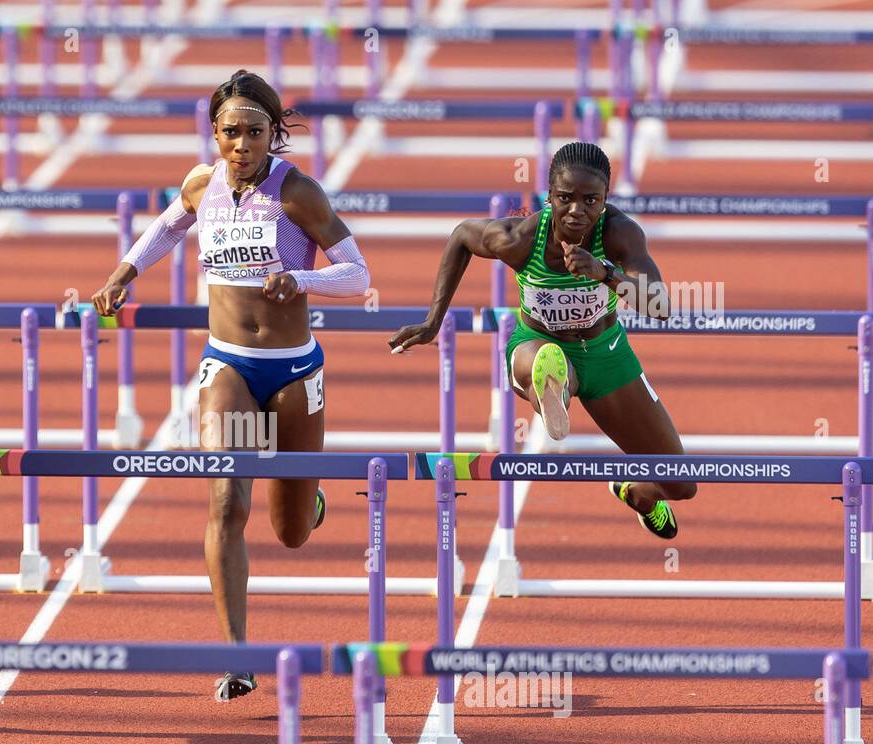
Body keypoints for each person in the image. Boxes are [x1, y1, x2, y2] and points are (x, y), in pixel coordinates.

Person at [91, 70, 371, 700]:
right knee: (226, 503)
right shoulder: (201, 185)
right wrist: (123, 273)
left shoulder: (298, 193)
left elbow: (357, 274)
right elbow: (166, 228)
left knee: (292, 532)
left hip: (295, 370)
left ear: (273, 134)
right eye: (229, 132)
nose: (241, 144)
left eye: (254, 132)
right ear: (214, 133)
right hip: (230, 366)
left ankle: (309, 499)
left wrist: (302, 281)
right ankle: (236, 656)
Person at [389, 141, 694, 538]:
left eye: (590, 200)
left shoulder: (620, 234)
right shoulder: (520, 239)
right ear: (549, 196)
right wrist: (433, 320)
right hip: (534, 344)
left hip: (605, 354)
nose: (576, 211)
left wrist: (605, 273)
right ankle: (553, 387)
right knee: (548, 360)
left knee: (682, 484)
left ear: (605, 201)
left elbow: (661, 306)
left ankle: (636, 492)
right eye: (565, 199)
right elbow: (463, 235)